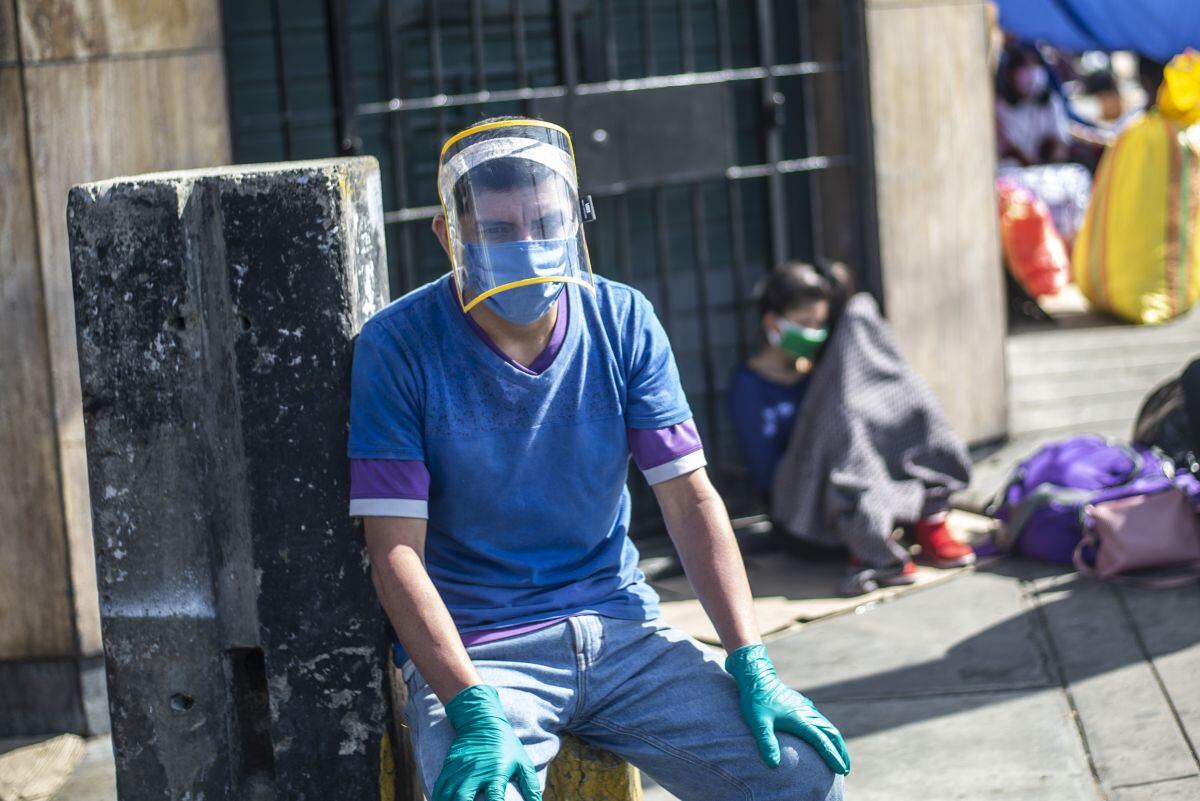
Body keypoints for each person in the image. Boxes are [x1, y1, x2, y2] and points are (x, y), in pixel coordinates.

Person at [349, 117, 848, 801]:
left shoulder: (623, 319)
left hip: (622, 631)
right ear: (449, 236)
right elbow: (393, 551)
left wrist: (750, 658)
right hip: (484, 654)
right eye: (497, 229)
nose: (528, 244)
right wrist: (468, 704)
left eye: (546, 221)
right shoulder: (398, 346)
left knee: (801, 778)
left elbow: (690, 497)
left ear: (576, 224)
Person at [728, 262, 975, 596]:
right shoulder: (750, 386)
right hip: (804, 515)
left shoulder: (831, 371)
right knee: (848, 405)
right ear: (773, 323)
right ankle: (881, 525)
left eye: (820, 324)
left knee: (860, 319)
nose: (815, 334)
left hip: (864, 490)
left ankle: (913, 513)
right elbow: (769, 475)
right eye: (804, 325)